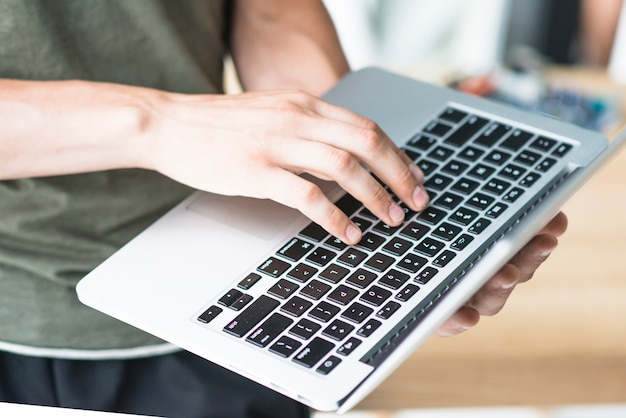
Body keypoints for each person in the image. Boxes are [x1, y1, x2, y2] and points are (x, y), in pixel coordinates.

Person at [0, 0, 567, 417]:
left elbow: (270, 11)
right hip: (20, 324)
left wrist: (351, 178)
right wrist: (156, 123)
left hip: (240, 281)